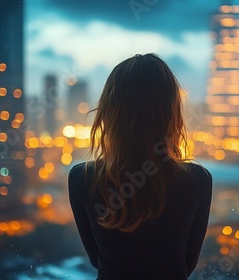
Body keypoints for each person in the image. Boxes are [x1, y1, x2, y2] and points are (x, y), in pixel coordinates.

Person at [68, 53, 212, 280]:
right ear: (170, 113)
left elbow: (97, 260)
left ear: (109, 112)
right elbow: (187, 264)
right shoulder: (198, 180)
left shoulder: (81, 179)